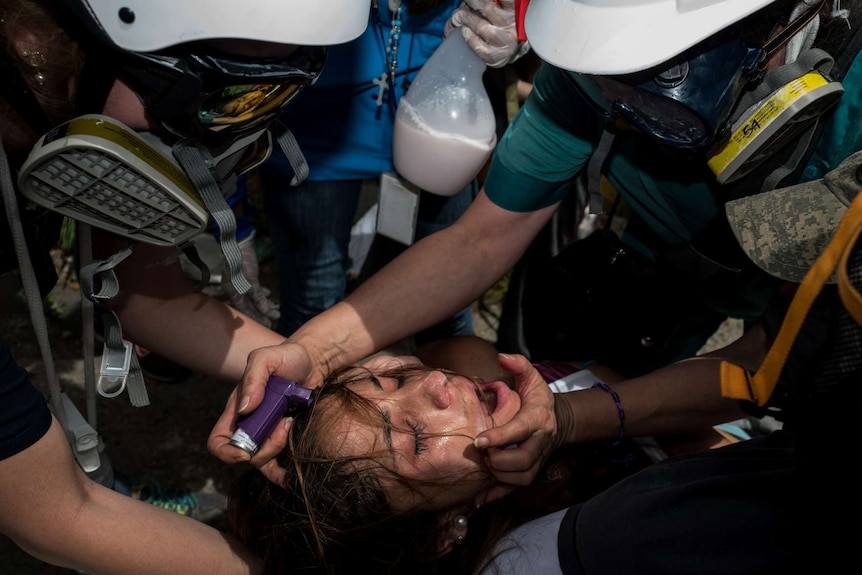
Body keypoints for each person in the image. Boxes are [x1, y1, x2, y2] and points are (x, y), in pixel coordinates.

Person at [209, 0, 862, 490]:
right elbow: (482, 239)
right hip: (633, 259)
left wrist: (573, 419)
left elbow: (768, 360)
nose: (613, 97)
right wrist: (314, 350)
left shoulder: (848, 128)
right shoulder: (599, 58)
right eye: (604, 75)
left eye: (648, 82)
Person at [0, 0, 372, 572]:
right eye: (220, 97)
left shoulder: (88, 100)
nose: (221, 140)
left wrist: (350, 374)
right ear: (36, 39)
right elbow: (55, 515)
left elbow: (152, 299)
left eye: (267, 100)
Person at [224, 328, 770, 574]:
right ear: (444, 530)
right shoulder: (589, 544)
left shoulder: (468, 356)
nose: (437, 382)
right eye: (414, 439)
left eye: (393, 384)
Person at [260, 0, 528, 344]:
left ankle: (448, 391)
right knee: (313, 303)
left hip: (442, 112)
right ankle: (306, 393)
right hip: (322, 120)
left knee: (445, 299)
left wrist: (519, 27)